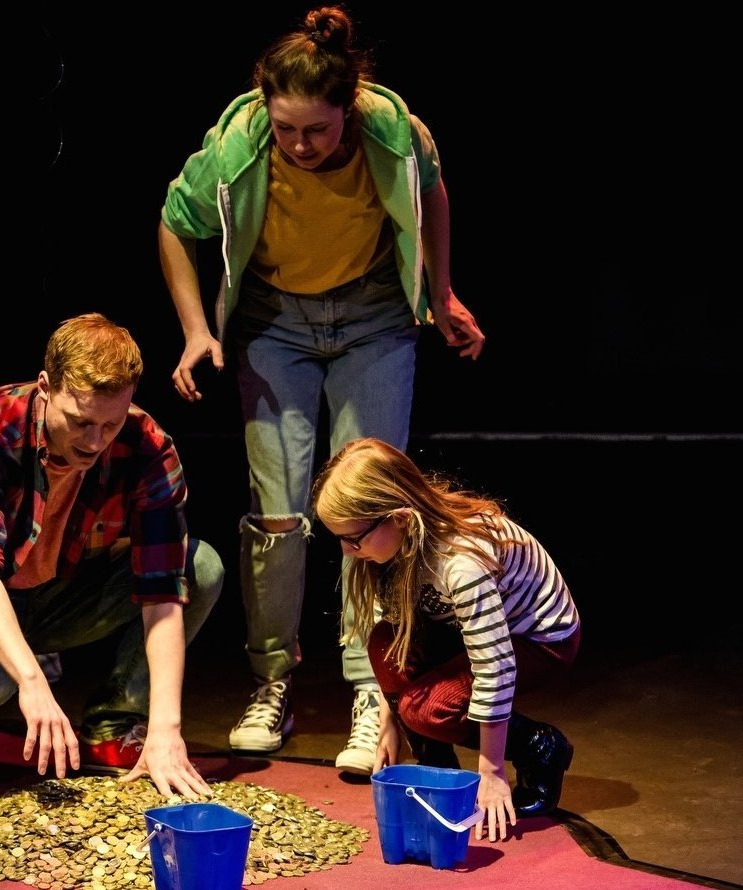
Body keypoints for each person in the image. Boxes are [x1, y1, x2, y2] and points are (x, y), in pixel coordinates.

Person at [157, 4, 486, 773]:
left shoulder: (394, 132)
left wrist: (441, 296)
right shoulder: (240, 141)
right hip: (275, 324)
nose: (301, 145)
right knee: (277, 515)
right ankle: (273, 680)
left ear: (348, 108)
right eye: (287, 128)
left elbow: (432, 192)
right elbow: (176, 223)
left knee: (369, 509)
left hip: (374, 317)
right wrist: (196, 329)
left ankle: (373, 688)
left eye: (318, 130)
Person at [0, 313, 224, 800]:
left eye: (110, 423)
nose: (94, 441)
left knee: (200, 565)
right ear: (45, 387)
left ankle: (112, 726)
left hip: (49, 594)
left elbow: (162, 589)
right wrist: (32, 681)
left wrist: (166, 726)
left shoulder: (147, 445)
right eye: (80, 421)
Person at [312, 436, 581, 841]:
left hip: (537, 641)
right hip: (458, 630)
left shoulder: (461, 562)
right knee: (383, 645)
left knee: (429, 711)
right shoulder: (395, 545)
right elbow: (400, 629)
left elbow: (495, 664)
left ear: (400, 518)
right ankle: (437, 767)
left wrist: (491, 770)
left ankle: (540, 748)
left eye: (354, 539)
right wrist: (391, 722)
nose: (348, 552)